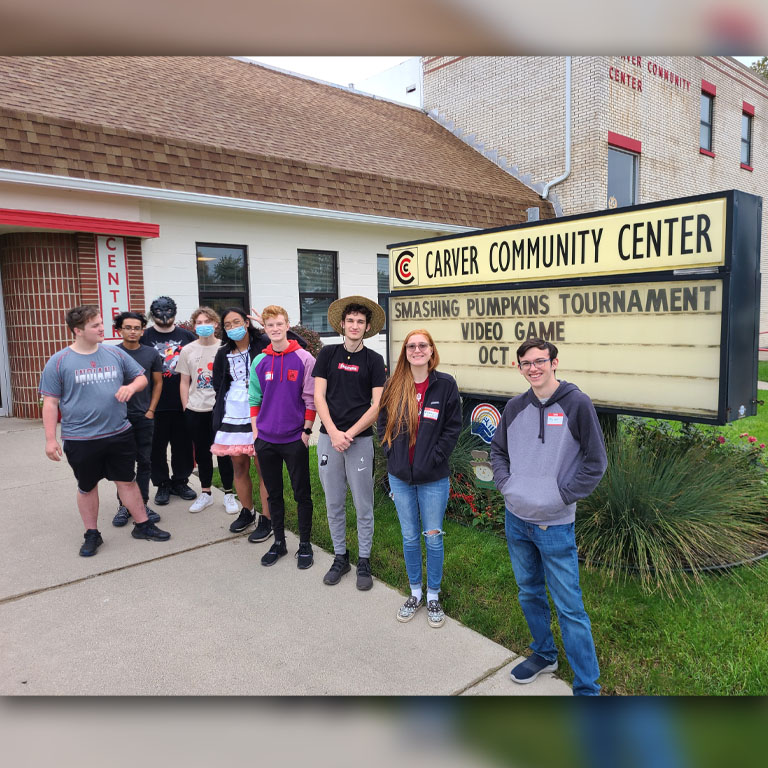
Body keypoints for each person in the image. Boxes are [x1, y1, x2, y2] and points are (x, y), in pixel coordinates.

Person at [489, 338, 607, 696]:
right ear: (519, 368)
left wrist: (562, 496)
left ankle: (588, 686)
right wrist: (507, 485)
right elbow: (497, 451)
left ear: (555, 362)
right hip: (516, 518)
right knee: (529, 592)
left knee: (569, 606)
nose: (533, 368)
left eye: (540, 361)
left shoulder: (577, 404)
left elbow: (595, 462)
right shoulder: (514, 407)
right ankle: (544, 654)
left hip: (555, 524)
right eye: (526, 363)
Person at [39, 305, 171, 556]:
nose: (102, 328)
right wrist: (49, 439)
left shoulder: (113, 354)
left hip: (118, 433)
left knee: (128, 481)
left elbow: (142, 377)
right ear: (78, 330)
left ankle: (142, 525)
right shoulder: (59, 361)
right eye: (95, 325)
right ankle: (92, 534)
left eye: (101, 323)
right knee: (87, 486)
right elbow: (50, 402)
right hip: (81, 438)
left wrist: (131, 388)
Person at [377, 329, 461, 628]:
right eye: (411, 346)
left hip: (433, 478)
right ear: (405, 352)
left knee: (433, 538)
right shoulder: (394, 384)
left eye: (422, 345)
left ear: (431, 350)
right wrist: (390, 453)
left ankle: (434, 595)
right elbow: (383, 422)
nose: (416, 350)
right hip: (400, 475)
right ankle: (415, 592)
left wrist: (436, 457)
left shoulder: (445, 385)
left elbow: (453, 427)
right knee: (410, 537)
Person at [212, 306, 305, 541]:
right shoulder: (223, 353)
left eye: (237, 322)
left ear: (246, 323)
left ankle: (267, 518)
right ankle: (247, 511)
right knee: (239, 466)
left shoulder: (261, 343)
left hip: (262, 413)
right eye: (228, 324)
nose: (233, 327)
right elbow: (218, 384)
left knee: (264, 468)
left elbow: (296, 342)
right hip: (233, 414)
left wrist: (265, 326)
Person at [314, 296, 386, 590]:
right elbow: (319, 396)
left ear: (367, 327)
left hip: (359, 441)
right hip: (328, 439)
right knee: (333, 502)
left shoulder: (373, 360)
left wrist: (350, 434)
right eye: (350, 321)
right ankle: (340, 556)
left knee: (362, 503)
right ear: (342, 324)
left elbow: (377, 405)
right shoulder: (327, 354)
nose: (355, 326)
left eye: (360, 322)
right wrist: (333, 433)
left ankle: (364, 560)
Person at [248, 305, 317, 569]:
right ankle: (279, 542)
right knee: (273, 494)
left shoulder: (304, 359)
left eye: (279, 324)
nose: (275, 329)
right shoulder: (259, 361)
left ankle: (305, 544)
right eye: (270, 325)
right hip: (266, 440)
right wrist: (256, 432)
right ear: (264, 329)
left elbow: (310, 399)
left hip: (293, 439)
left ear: (288, 325)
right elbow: (255, 398)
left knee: (302, 493)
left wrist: (306, 430)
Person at [176, 307, 237, 514]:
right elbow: (184, 381)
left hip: (219, 409)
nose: (203, 325)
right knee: (202, 453)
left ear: (216, 324)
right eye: (199, 322)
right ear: (194, 326)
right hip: (195, 410)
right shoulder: (188, 350)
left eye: (207, 321)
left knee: (224, 453)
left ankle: (229, 494)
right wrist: (186, 406)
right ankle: (206, 493)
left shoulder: (226, 348)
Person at [140, 296, 197, 505]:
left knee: (182, 445)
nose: (164, 314)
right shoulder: (144, 337)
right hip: (153, 404)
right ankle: (162, 484)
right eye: (159, 310)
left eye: (168, 310)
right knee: (156, 447)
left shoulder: (187, 336)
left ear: (175, 311)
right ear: (152, 313)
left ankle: (181, 480)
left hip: (183, 401)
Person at [112, 311, 163, 527]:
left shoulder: (151, 353)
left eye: (137, 328)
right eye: (128, 327)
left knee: (144, 462)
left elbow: (158, 383)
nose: (132, 331)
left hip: (143, 416)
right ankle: (124, 506)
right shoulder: (111, 353)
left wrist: (151, 410)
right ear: (119, 329)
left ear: (143, 330)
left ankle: (141, 503)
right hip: (118, 418)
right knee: (122, 464)